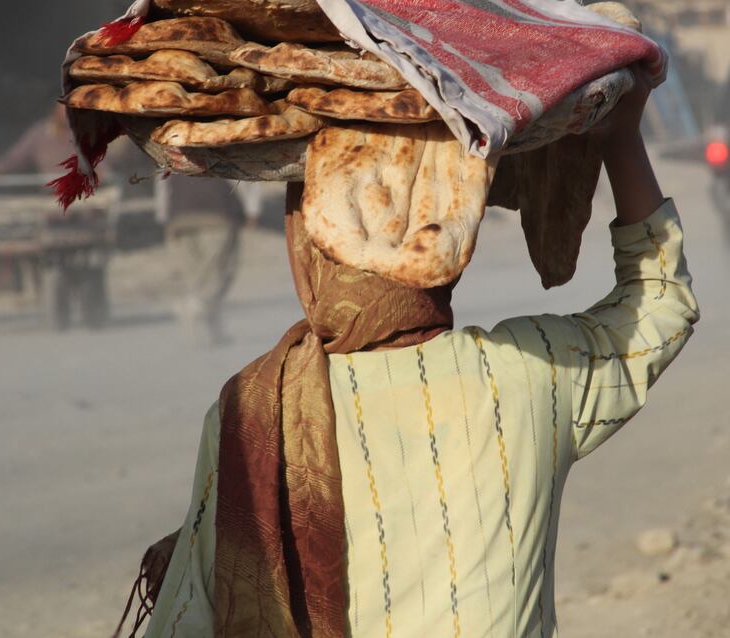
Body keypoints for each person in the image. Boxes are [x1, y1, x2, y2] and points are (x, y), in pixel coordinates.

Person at [121, 66, 698, 638]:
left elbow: (189, 615)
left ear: (307, 241)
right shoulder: (530, 371)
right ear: (445, 233)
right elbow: (661, 303)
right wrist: (622, 138)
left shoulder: (253, 410)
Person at [162, 174, 244, 345]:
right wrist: (240, 215)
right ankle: (196, 308)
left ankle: (208, 333)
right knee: (217, 273)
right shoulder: (216, 161)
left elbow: (166, 196)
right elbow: (230, 192)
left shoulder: (174, 165)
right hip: (216, 219)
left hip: (180, 222)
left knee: (195, 277)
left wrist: (169, 224)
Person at [0, 102, 74, 187]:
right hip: (50, 198)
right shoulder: (38, 133)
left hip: (80, 196)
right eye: (63, 110)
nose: (67, 114)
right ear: (54, 111)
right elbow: (14, 158)